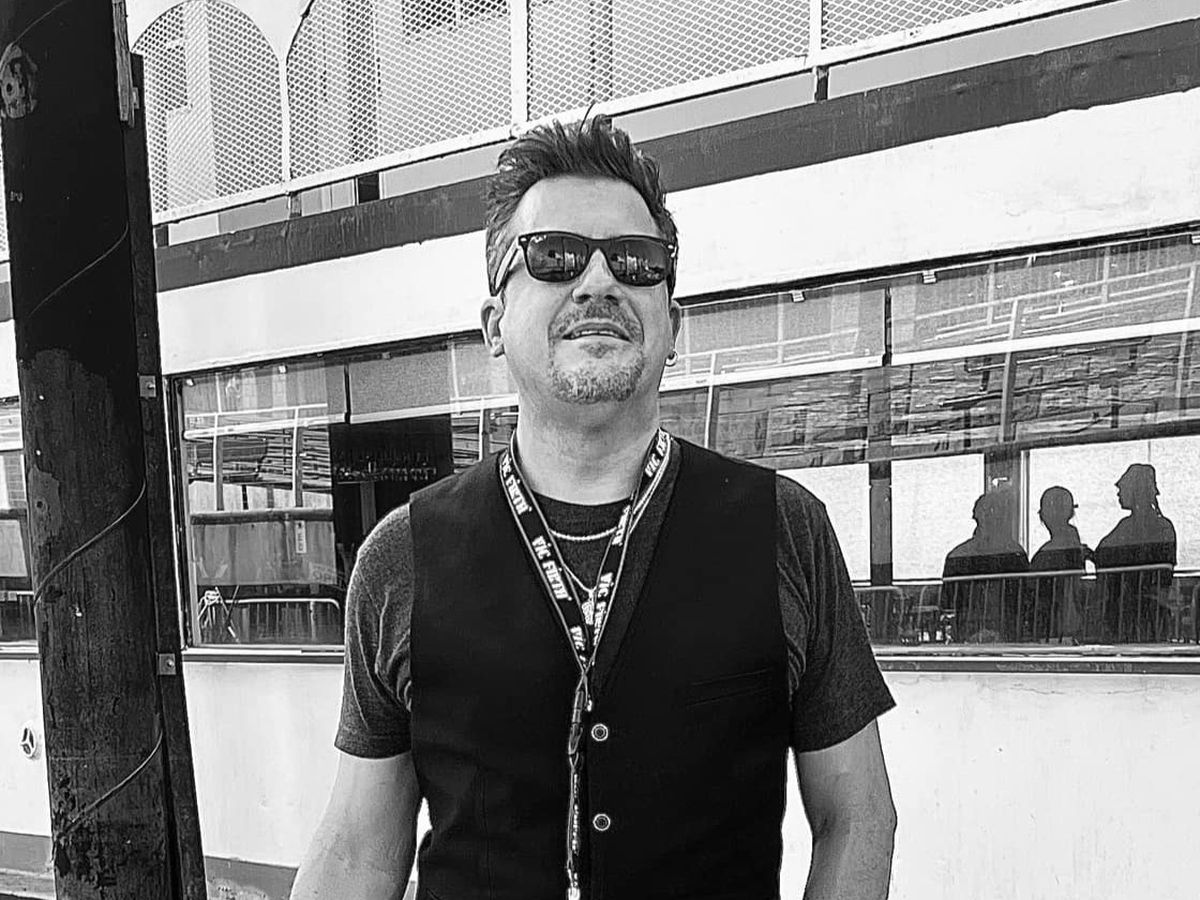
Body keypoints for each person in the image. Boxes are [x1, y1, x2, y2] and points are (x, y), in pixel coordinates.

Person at [291, 115, 897, 900]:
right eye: (556, 256)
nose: (600, 281)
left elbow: (858, 815)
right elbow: (356, 853)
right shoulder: (401, 556)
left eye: (637, 261)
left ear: (673, 325)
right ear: (494, 327)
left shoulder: (784, 528)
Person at [1094, 464, 1177, 642]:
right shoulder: (1160, 526)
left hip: (1140, 612)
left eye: (1123, 488)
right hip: (1137, 610)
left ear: (1136, 490)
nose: (1118, 493)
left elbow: (1103, 555)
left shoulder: (1155, 527)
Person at [941, 490, 1029, 642]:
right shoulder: (1015, 555)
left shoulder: (958, 556)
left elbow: (948, 606)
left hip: (974, 637)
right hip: (1003, 638)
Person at [1028, 486, 1092, 643]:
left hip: (1054, 621)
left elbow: (1032, 586)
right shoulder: (1075, 544)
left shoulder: (1048, 553)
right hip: (1068, 617)